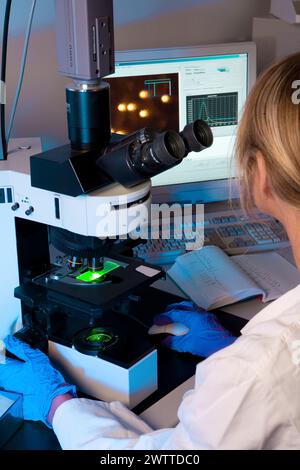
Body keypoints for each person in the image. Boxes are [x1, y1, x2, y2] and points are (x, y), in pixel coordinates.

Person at [2, 52, 300, 450]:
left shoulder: (260, 369)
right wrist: (231, 351)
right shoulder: (263, 365)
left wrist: (60, 406)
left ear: (259, 174)